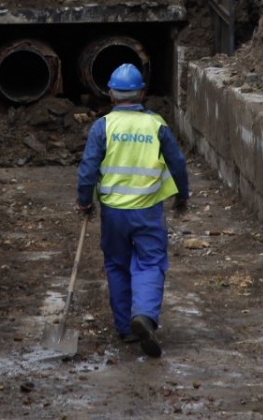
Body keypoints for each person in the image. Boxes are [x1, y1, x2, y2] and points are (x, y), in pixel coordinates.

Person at [76, 63, 189, 358]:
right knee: (150, 263)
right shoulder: (156, 125)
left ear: (111, 94)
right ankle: (144, 315)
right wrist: (182, 196)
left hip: (113, 212)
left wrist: (84, 201)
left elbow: (88, 168)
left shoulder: (103, 127)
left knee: (117, 265)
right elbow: (177, 163)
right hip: (148, 211)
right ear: (142, 93)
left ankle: (126, 328)